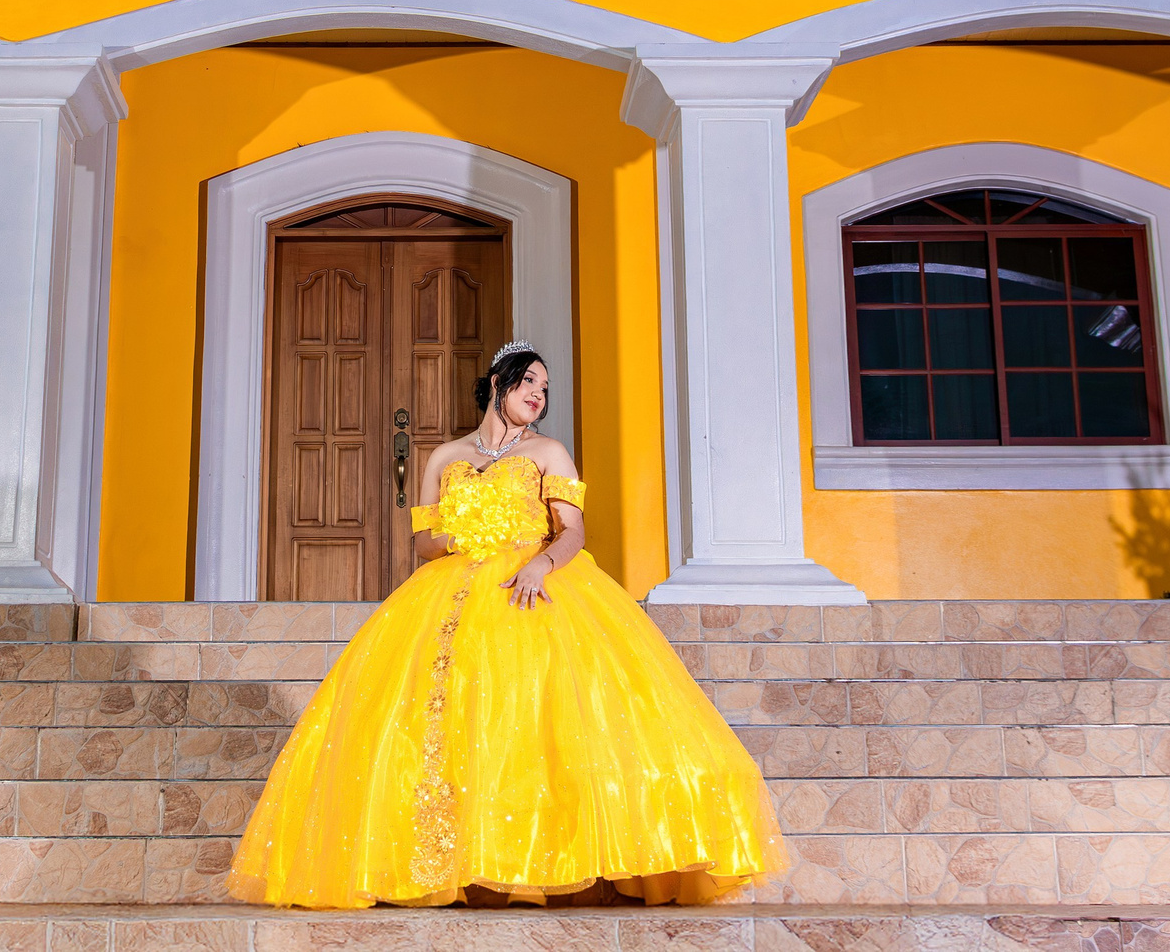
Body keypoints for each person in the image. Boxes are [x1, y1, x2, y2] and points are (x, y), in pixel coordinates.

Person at [226, 342, 790, 909]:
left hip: (531, 584)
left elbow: (572, 530)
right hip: (453, 588)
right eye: (528, 381)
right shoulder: (444, 457)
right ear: (498, 382)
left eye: (545, 387)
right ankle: (445, 863)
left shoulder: (548, 452)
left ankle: (542, 862)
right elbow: (423, 541)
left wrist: (540, 565)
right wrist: (462, 537)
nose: (538, 393)